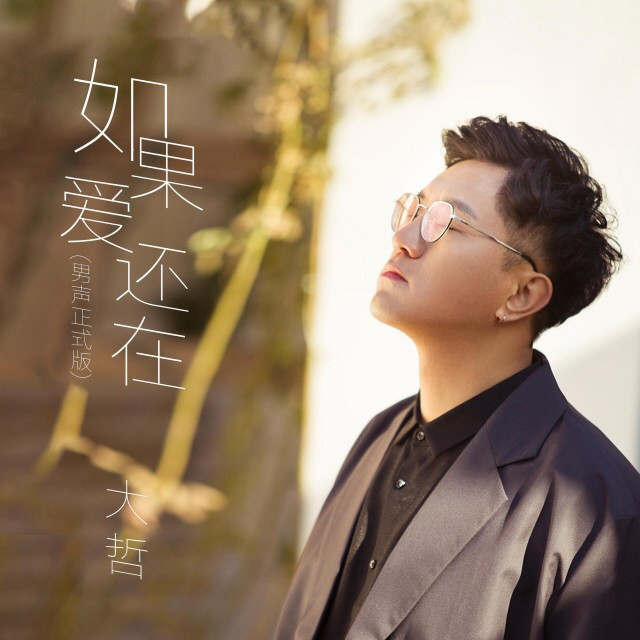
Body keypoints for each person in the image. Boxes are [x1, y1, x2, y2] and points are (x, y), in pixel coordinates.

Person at [273, 115, 640, 640]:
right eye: (416, 210)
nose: (403, 239)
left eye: (445, 224)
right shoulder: (379, 437)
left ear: (521, 294)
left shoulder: (595, 508)